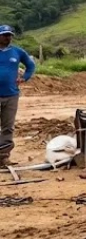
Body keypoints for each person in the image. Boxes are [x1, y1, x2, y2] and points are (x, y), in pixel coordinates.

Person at [0, 25, 36, 167]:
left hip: (11, 95)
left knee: (8, 127)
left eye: (9, 35)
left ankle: (3, 157)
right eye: (4, 35)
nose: (7, 37)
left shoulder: (17, 52)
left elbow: (30, 66)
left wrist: (24, 78)